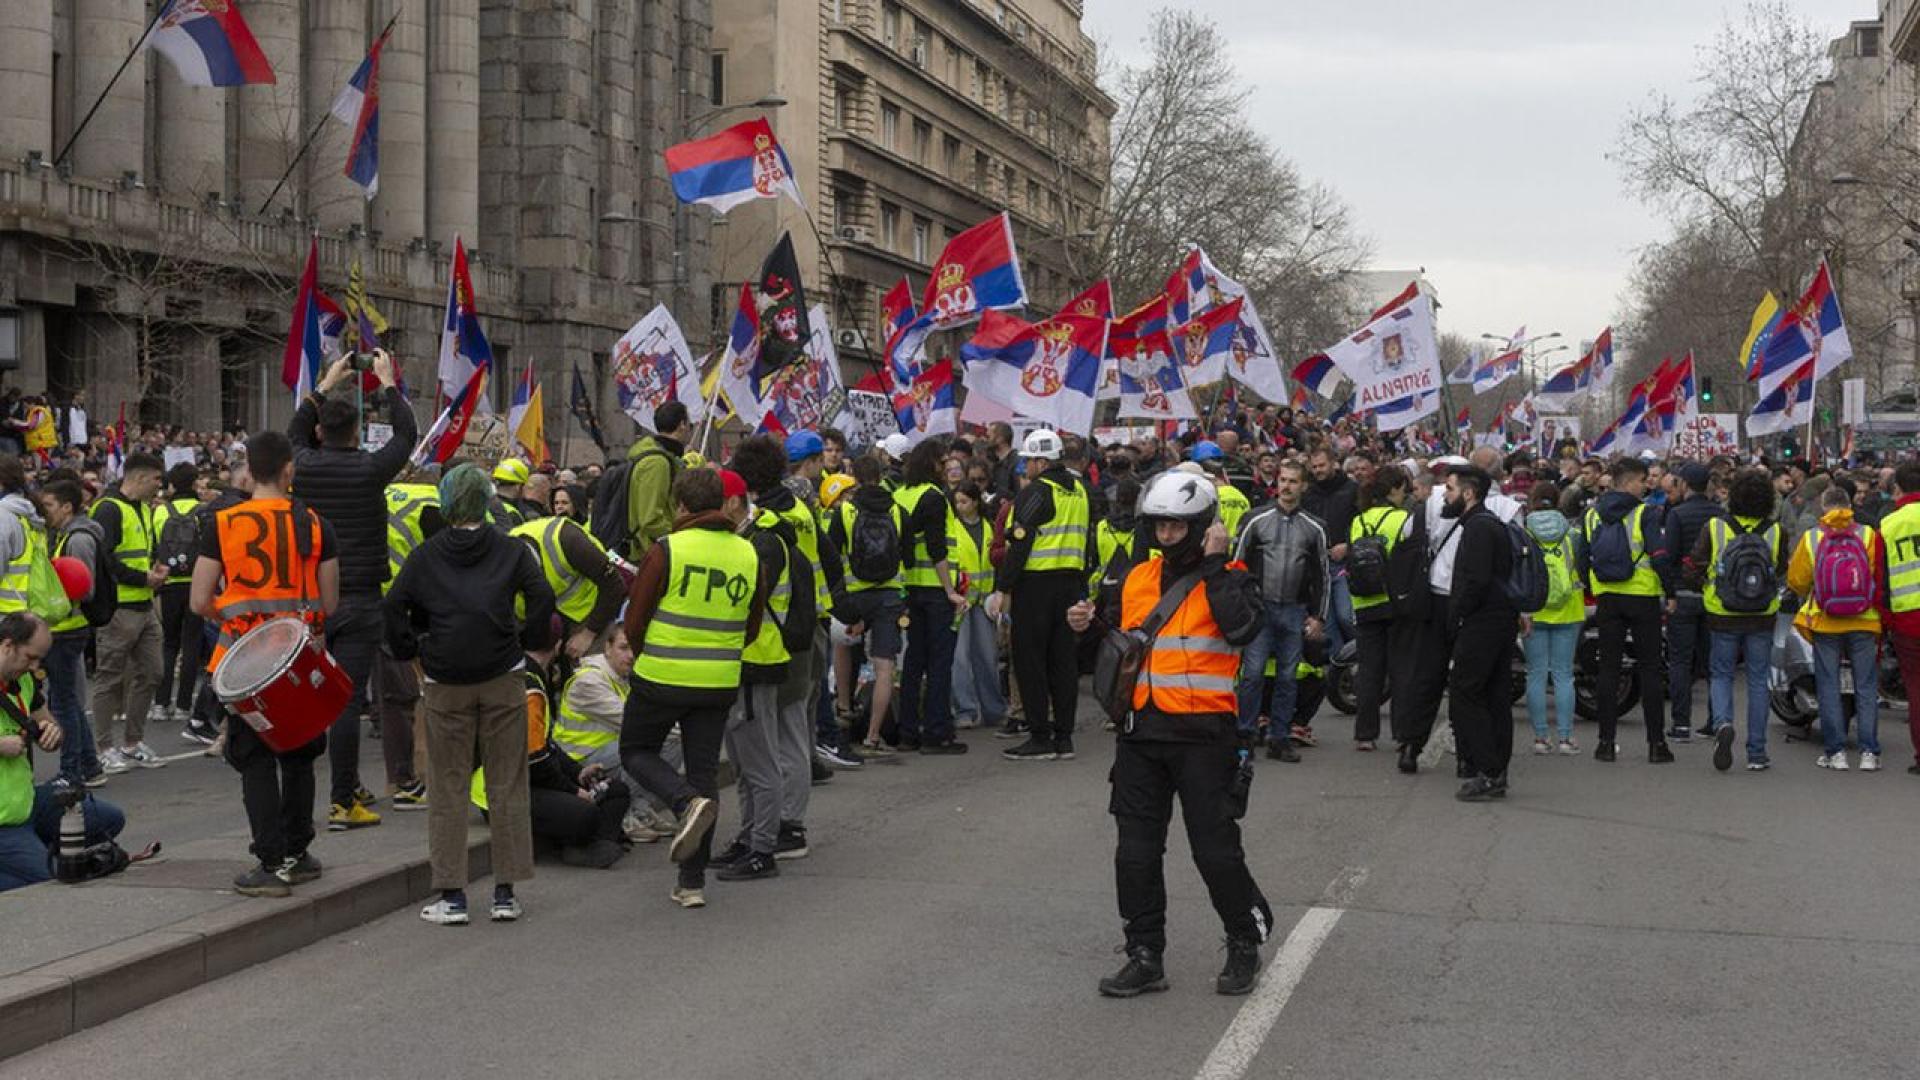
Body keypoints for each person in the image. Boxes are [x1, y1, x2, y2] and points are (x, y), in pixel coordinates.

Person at [1069, 470, 1270, 998]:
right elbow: (1118, 646)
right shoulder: (1137, 578)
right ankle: (1144, 954)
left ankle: (1244, 941)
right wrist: (1086, 625)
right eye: (1159, 525)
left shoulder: (1231, 575)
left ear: (1202, 527)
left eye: (1177, 526)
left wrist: (1214, 565)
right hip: (1140, 735)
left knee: (1215, 852)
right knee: (1134, 853)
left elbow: (1241, 630)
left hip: (1205, 737)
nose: (1165, 534)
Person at [385, 463, 555, 925]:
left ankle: (452, 895)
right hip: (502, 673)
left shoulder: (427, 555)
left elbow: (393, 605)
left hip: (445, 681)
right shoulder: (511, 549)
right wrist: (527, 638)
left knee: (448, 785)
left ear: (445, 503)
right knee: (506, 782)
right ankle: (505, 890)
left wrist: (412, 645)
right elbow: (541, 596)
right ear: (487, 501)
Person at [190, 432, 340, 897]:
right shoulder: (315, 525)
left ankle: (269, 863)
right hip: (296, 659)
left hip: (244, 663)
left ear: (249, 472)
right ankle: (298, 853)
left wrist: (236, 617)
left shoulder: (222, 522)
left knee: (254, 759)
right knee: (298, 754)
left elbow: (199, 600)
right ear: (290, 470)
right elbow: (329, 603)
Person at [619, 468, 769, 910]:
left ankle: (684, 805)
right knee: (704, 773)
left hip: (663, 675)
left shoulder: (668, 549)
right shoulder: (747, 553)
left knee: (635, 751)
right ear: (722, 505)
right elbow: (753, 623)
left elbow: (636, 617)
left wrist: (648, 655)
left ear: (682, 507)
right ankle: (691, 883)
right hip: (719, 680)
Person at [288, 351, 416, 831]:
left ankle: (344, 784)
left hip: (311, 600)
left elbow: (294, 431)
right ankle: (342, 800)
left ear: (321, 431)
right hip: (360, 598)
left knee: (321, 696)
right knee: (345, 699)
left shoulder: (302, 465)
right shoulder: (369, 469)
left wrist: (325, 383)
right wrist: (385, 383)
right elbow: (406, 434)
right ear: (357, 434)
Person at [470, 633, 630, 870]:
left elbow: (547, 745)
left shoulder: (532, 677)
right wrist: (574, 790)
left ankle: (592, 844)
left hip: (529, 780)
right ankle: (580, 845)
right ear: (557, 645)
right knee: (585, 812)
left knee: (615, 791)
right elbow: (535, 762)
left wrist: (578, 773)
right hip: (502, 790)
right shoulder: (528, 686)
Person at [710, 450, 797, 882]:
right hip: (742, 659)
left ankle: (763, 848)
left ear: (732, 503)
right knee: (744, 764)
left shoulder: (762, 542)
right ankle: (748, 838)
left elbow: (743, 602)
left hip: (756, 659)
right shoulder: (753, 537)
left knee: (759, 763)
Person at [0, 613, 127, 893]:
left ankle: (29, 854)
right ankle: (28, 861)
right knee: (52, 881)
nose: (34, 666)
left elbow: (47, 721)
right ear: (8, 645)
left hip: (24, 802)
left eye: (39, 659)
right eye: (30, 657)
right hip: (4, 820)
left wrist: (52, 733)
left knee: (109, 819)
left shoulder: (24, 680)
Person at [994, 430, 1096, 762]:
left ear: (1041, 461)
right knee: (1063, 662)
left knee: (1030, 661)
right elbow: (1087, 541)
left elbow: (1020, 543)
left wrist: (1003, 587)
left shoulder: (1036, 492)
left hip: (1036, 586)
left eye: (1028, 462)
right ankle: (1063, 737)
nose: (1024, 468)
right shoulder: (1080, 490)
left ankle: (1039, 736)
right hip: (1070, 585)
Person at [1687, 468, 1788, 772]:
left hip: (1722, 611)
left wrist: (1707, 581)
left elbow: (1694, 563)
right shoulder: (1776, 530)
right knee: (1758, 680)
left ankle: (1722, 724)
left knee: (1721, 674)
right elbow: (1781, 568)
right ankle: (1756, 752)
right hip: (1761, 613)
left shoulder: (1716, 526)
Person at [1231, 460, 1328, 762]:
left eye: (1293, 481)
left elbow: (1323, 575)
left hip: (1295, 610)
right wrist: (1241, 606)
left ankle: (1280, 737)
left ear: (1303, 486)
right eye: (1283, 480)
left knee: (1288, 676)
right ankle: (1245, 735)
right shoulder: (1255, 519)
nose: (1286, 487)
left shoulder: (1315, 527)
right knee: (1253, 674)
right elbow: (1236, 565)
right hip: (1261, 608)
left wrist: (1318, 616)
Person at [1580, 458, 1672, 764]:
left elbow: (1583, 558)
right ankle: (1656, 744)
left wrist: (1591, 588)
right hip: (1643, 597)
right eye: (1643, 480)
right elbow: (1659, 556)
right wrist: (1670, 591)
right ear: (1630, 482)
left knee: (1608, 668)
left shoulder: (1592, 514)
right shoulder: (1645, 513)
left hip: (1608, 598)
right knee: (1650, 669)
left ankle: (1605, 743)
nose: (1646, 485)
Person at [1787, 484, 1884, 771]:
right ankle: (1869, 753)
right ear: (1850, 505)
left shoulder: (1813, 537)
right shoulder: (1868, 534)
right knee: (1865, 685)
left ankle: (1836, 752)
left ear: (1824, 506)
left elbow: (1797, 580)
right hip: (1864, 619)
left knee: (1828, 685)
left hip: (1825, 620)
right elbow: (1878, 575)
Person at [550, 624, 677, 843]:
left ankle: (639, 807)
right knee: (650, 744)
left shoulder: (623, 676)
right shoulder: (589, 681)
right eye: (624, 648)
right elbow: (635, 724)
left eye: (635, 649)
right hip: (580, 761)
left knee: (671, 740)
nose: (631, 656)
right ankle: (626, 814)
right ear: (607, 648)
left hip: (607, 752)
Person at [1442, 465, 1519, 800]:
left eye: (1450, 489)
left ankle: (1487, 770)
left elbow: (1476, 580)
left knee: (1466, 692)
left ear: (1468, 493)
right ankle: (1496, 769)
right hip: (1499, 619)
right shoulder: (1489, 525)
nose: (1446, 496)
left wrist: (1456, 615)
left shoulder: (1479, 529)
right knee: (1495, 696)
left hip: (1482, 622)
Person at [89, 451, 168, 772]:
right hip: (118, 608)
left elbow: (140, 551)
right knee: (109, 678)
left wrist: (154, 569)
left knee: (153, 672)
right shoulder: (108, 509)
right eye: (156, 479)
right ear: (138, 477)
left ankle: (133, 742)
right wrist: (143, 577)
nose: (159, 487)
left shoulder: (142, 509)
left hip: (144, 604)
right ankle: (103, 747)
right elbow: (104, 558)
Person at [828, 456, 904, 756]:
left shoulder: (845, 511)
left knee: (844, 646)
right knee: (884, 664)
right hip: (889, 594)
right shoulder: (897, 510)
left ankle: (845, 709)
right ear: (881, 475)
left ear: (853, 477)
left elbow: (832, 557)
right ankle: (873, 736)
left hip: (855, 594)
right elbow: (905, 554)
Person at [895, 439, 967, 754]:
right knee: (940, 662)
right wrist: (950, 590)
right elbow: (938, 548)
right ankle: (937, 732)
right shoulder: (935, 497)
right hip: (937, 592)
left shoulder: (900, 494)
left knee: (913, 661)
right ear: (933, 464)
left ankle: (908, 731)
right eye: (943, 462)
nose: (947, 467)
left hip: (909, 588)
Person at [40, 480, 106, 782]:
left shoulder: (77, 539)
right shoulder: (64, 534)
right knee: (69, 701)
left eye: (50, 505)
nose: (45, 511)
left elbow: (84, 588)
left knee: (62, 703)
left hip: (67, 628)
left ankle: (72, 771)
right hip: (65, 628)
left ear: (67, 506)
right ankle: (89, 765)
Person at [1347, 469, 1410, 751]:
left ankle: (1365, 734)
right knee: (1400, 670)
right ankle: (1402, 732)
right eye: (1403, 489)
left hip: (1363, 602)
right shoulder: (1403, 519)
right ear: (1394, 490)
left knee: (1370, 671)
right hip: (1395, 601)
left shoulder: (1358, 521)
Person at [1661, 462, 1724, 742]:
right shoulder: (1721, 515)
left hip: (1683, 596)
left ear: (1684, 485)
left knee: (1680, 661)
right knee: (1714, 663)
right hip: (1714, 597)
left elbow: (1669, 556)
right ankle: (1715, 720)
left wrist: (1670, 593)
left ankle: (1682, 723)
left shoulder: (1677, 515)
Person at [1522, 485, 1584, 755]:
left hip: (1533, 609)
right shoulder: (1573, 535)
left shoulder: (1524, 534)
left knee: (1535, 673)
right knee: (1563, 674)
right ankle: (1566, 739)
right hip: (1568, 608)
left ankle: (1540, 738)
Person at [948, 481, 1006, 731]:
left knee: (987, 655)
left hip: (983, 600)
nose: (960, 506)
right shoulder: (950, 528)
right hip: (960, 602)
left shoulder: (988, 527)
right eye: (957, 502)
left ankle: (993, 710)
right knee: (959, 658)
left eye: (964, 501)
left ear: (975, 502)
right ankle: (965, 710)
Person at [152, 462, 206, 725]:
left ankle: (162, 703)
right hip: (196, 582)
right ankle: (185, 704)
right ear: (195, 483)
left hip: (169, 581)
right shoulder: (203, 512)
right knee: (192, 642)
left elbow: (155, 546)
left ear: (172, 484)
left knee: (169, 642)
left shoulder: (160, 512)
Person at [1877, 461, 1920, 776]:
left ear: (1899, 489)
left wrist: (1886, 620)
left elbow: (1882, 580)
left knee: (1916, 690)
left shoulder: (1889, 525)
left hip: (1907, 621)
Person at [623, 401, 690, 560]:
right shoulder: (657, 462)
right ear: (682, 425)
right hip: (648, 552)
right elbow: (650, 519)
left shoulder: (659, 457)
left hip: (651, 550)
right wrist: (682, 535)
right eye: (689, 424)